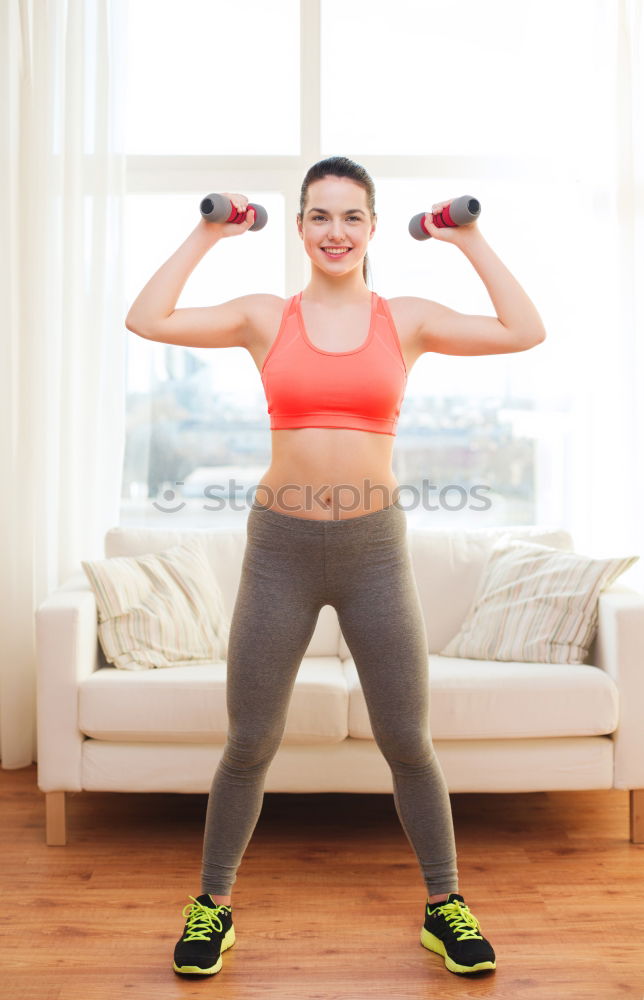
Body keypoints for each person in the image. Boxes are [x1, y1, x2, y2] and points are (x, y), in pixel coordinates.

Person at [125, 156, 547, 979]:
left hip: (374, 554)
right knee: (250, 741)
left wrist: (469, 237)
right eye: (319, 216)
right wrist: (209, 231)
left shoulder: (407, 319)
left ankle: (444, 905)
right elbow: (146, 318)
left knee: (407, 742)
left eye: (351, 217)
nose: (335, 232)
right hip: (279, 550)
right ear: (299, 228)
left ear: (374, 229)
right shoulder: (263, 316)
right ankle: (212, 905)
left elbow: (524, 330)